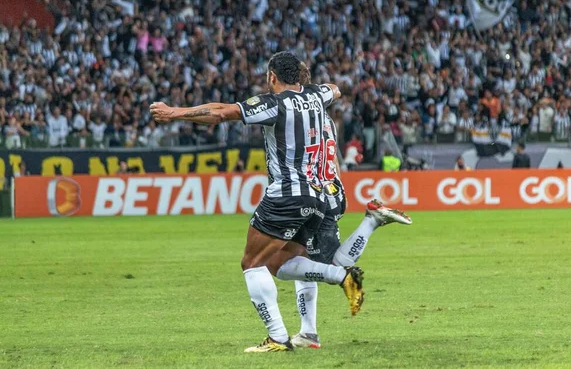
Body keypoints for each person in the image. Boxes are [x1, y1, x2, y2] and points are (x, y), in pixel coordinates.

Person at [150, 52, 365, 353]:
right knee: (283, 264)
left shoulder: (274, 103)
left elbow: (221, 112)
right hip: (318, 197)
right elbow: (335, 88)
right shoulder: (318, 96)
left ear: (272, 77)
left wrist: (174, 112)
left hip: (287, 193)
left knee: (252, 263)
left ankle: (278, 337)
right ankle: (338, 277)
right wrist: (309, 83)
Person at [287, 63, 412, 349]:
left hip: (311, 195)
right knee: (302, 259)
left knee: (328, 265)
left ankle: (372, 220)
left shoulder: (296, 114)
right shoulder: (325, 117)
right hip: (330, 187)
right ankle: (308, 332)